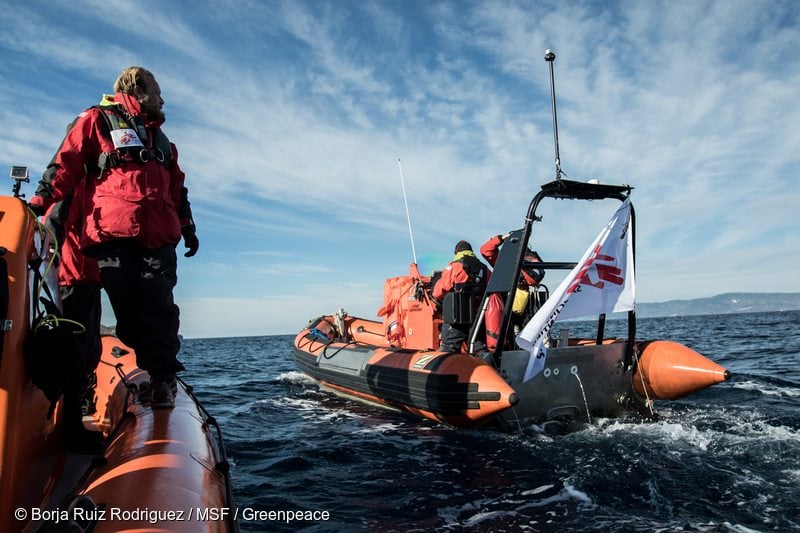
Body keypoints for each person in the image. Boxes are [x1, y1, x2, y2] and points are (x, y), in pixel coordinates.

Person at [30, 66, 199, 409]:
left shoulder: (164, 143)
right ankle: (142, 365)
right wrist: (37, 204)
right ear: (137, 88)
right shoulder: (97, 121)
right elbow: (66, 163)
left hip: (159, 240)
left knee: (160, 307)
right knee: (129, 315)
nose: (162, 98)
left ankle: (163, 380)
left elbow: (177, 189)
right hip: (112, 236)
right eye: (157, 90)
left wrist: (188, 227)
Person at [480, 233, 545, 350]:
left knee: (511, 334)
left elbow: (485, 250)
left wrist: (501, 238)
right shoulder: (531, 259)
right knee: (525, 334)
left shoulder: (505, 261)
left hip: (510, 304)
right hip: (527, 304)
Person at [432, 240, 491, 353]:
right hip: (478, 320)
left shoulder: (454, 267)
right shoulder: (485, 270)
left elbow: (438, 292)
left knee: (448, 350)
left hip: (456, 321)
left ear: (457, 252)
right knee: (479, 349)